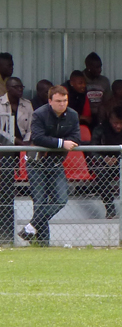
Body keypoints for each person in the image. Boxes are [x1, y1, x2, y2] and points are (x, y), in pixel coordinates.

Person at [17, 85, 80, 247]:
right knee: (40, 202)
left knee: (60, 200)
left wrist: (56, 144)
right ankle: (43, 244)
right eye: (58, 101)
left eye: (65, 100)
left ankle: (30, 228)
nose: (62, 104)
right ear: (50, 101)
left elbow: (75, 138)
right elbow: (38, 138)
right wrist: (61, 143)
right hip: (36, 163)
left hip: (55, 163)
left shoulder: (72, 115)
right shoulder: (39, 114)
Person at [0, 77, 33, 244]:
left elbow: (32, 126)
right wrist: (17, 142)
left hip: (23, 145)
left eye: (22, 86)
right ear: (8, 88)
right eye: (16, 87)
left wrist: (26, 142)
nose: (20, 90)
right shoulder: (0, 103)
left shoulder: (27, 104)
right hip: (4, 147)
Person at [83, 52, 111, 124]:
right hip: (84, 115)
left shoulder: (104, 81)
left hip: (100, 115)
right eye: (97, 67)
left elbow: (107, 102)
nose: (100, 70)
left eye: (100, 67)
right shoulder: (80, 79)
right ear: (88, 66)